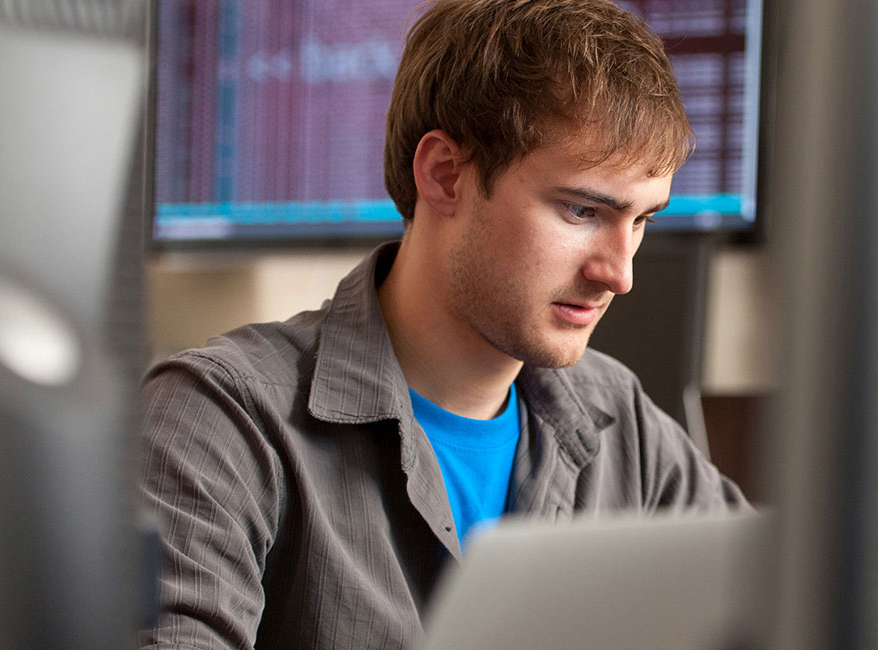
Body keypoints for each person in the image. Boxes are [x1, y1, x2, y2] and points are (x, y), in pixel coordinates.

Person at [137, 1, 749, 647]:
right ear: (444, 176)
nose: (619, 273)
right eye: (581, 211)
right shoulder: (218, 424)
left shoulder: (621, 424)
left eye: (642, 221)